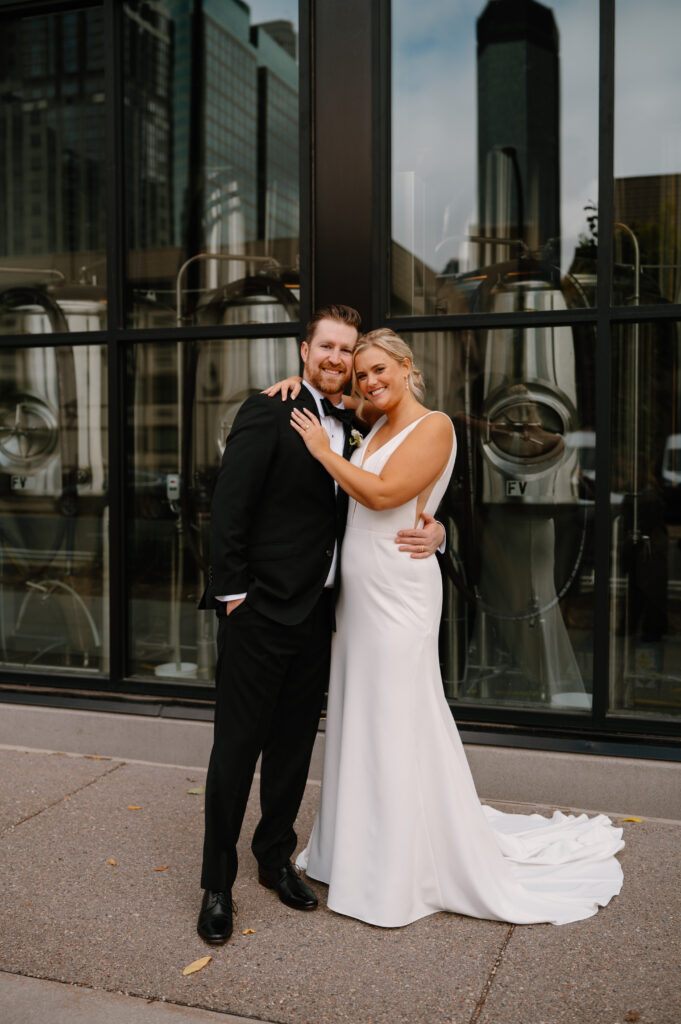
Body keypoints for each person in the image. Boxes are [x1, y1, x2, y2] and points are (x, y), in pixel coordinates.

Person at [286, 327, 625, 928]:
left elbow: (388, 492)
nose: (368, 382)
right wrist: (297, 381)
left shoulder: (435, 425)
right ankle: (356, 850)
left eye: (378, 370)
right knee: (362, 713)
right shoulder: (376, 420)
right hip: (360, 594)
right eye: (362, 374)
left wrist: (323, 455)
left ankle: (397, 869)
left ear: (405, 365)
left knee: (396, 715)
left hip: (400, 591)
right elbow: (330, 401)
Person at [196, 306, 445, 945]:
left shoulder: (359, 420)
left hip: (321, 616)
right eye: (327, 348)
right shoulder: (268, 410)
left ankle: (274, 856)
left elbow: (408, 479)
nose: (338, 360)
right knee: (235, 753)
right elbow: (229, 508)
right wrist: (232, 595)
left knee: (292, 749)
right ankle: (216, 883)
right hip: (259, 612)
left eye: (348, 353)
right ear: (304, 351)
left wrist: (439, 532)